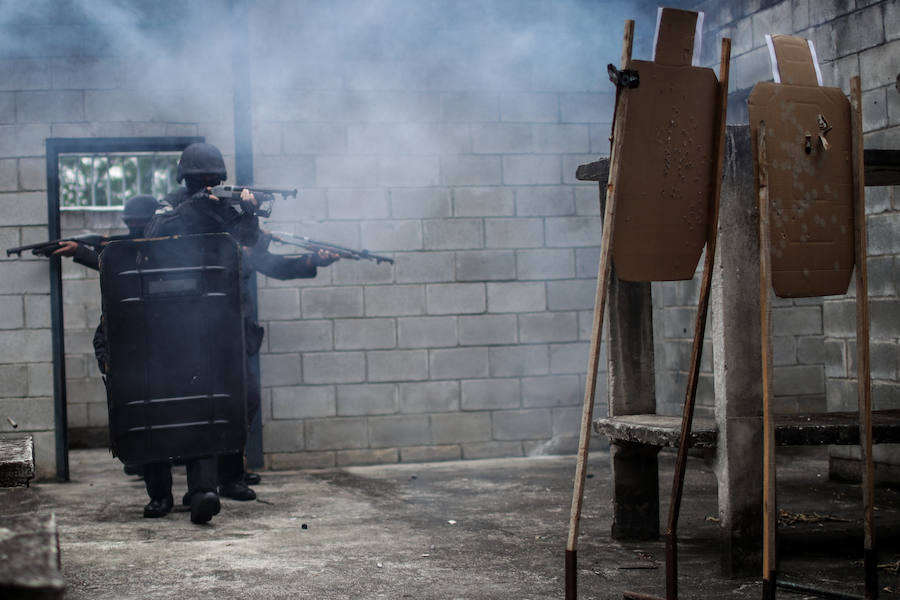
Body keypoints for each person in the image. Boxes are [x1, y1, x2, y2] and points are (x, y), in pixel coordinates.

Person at [142, 142, 338, 522]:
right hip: (182, 326)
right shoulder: (172, 205)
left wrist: (252, 215)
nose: (208, 185)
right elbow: (154, 233)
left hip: (230, 323)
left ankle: (229, 477)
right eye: (202, 181)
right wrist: (200, 204)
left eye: (213, 180)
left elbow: (259, 253)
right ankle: (182, 488)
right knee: (183, 406)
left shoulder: (233, 211)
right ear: (188, 180)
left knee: (241, 400)